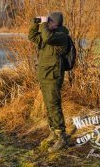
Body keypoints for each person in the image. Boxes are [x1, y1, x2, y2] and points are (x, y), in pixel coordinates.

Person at [28, 11, 70, 152]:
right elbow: (32, 36)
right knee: (48, 105)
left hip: (53, 76)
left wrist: (44, 23)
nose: (46, 23)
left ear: (54, 23)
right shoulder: (48, 35)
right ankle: (53, 132)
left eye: (49, 21)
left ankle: (62, 137)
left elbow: (46, 36)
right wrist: (36, 23)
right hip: (44, 75)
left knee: (54, 105)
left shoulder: (61, 35)